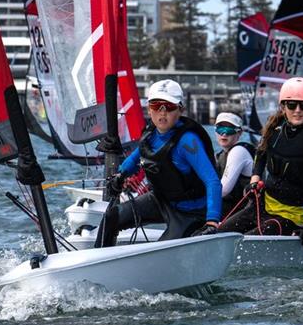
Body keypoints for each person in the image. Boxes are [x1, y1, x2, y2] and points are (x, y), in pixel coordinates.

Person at [94, 80, 222, 247]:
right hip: (160, 201)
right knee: (111, 218)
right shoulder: (150, 136)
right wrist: (120, 175)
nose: (162, 113)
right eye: (156, 106)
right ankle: (100, 260)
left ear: (180, 110)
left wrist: (212, 221)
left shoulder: (187, 141)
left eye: (169, 107)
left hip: (190, 212)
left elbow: (212, 181)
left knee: (160, 249)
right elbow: (135, 158)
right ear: (149, 109)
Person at [217, 77, 303, 248]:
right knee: (220, 234)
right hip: (263, 204)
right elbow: (261, 153)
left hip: (291, 217)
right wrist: (254, 179)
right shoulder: (275, 125)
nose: (298, 111)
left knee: (243, 244)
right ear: (283, 106)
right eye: (292, 105)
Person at [213, 112, 255, 215]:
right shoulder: (220, 155)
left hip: (244, 213)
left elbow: (223, 190)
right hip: (231, 210)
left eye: (229, 129)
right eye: (220, 129)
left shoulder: (239, 151)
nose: (224, 134)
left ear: (239, 133)